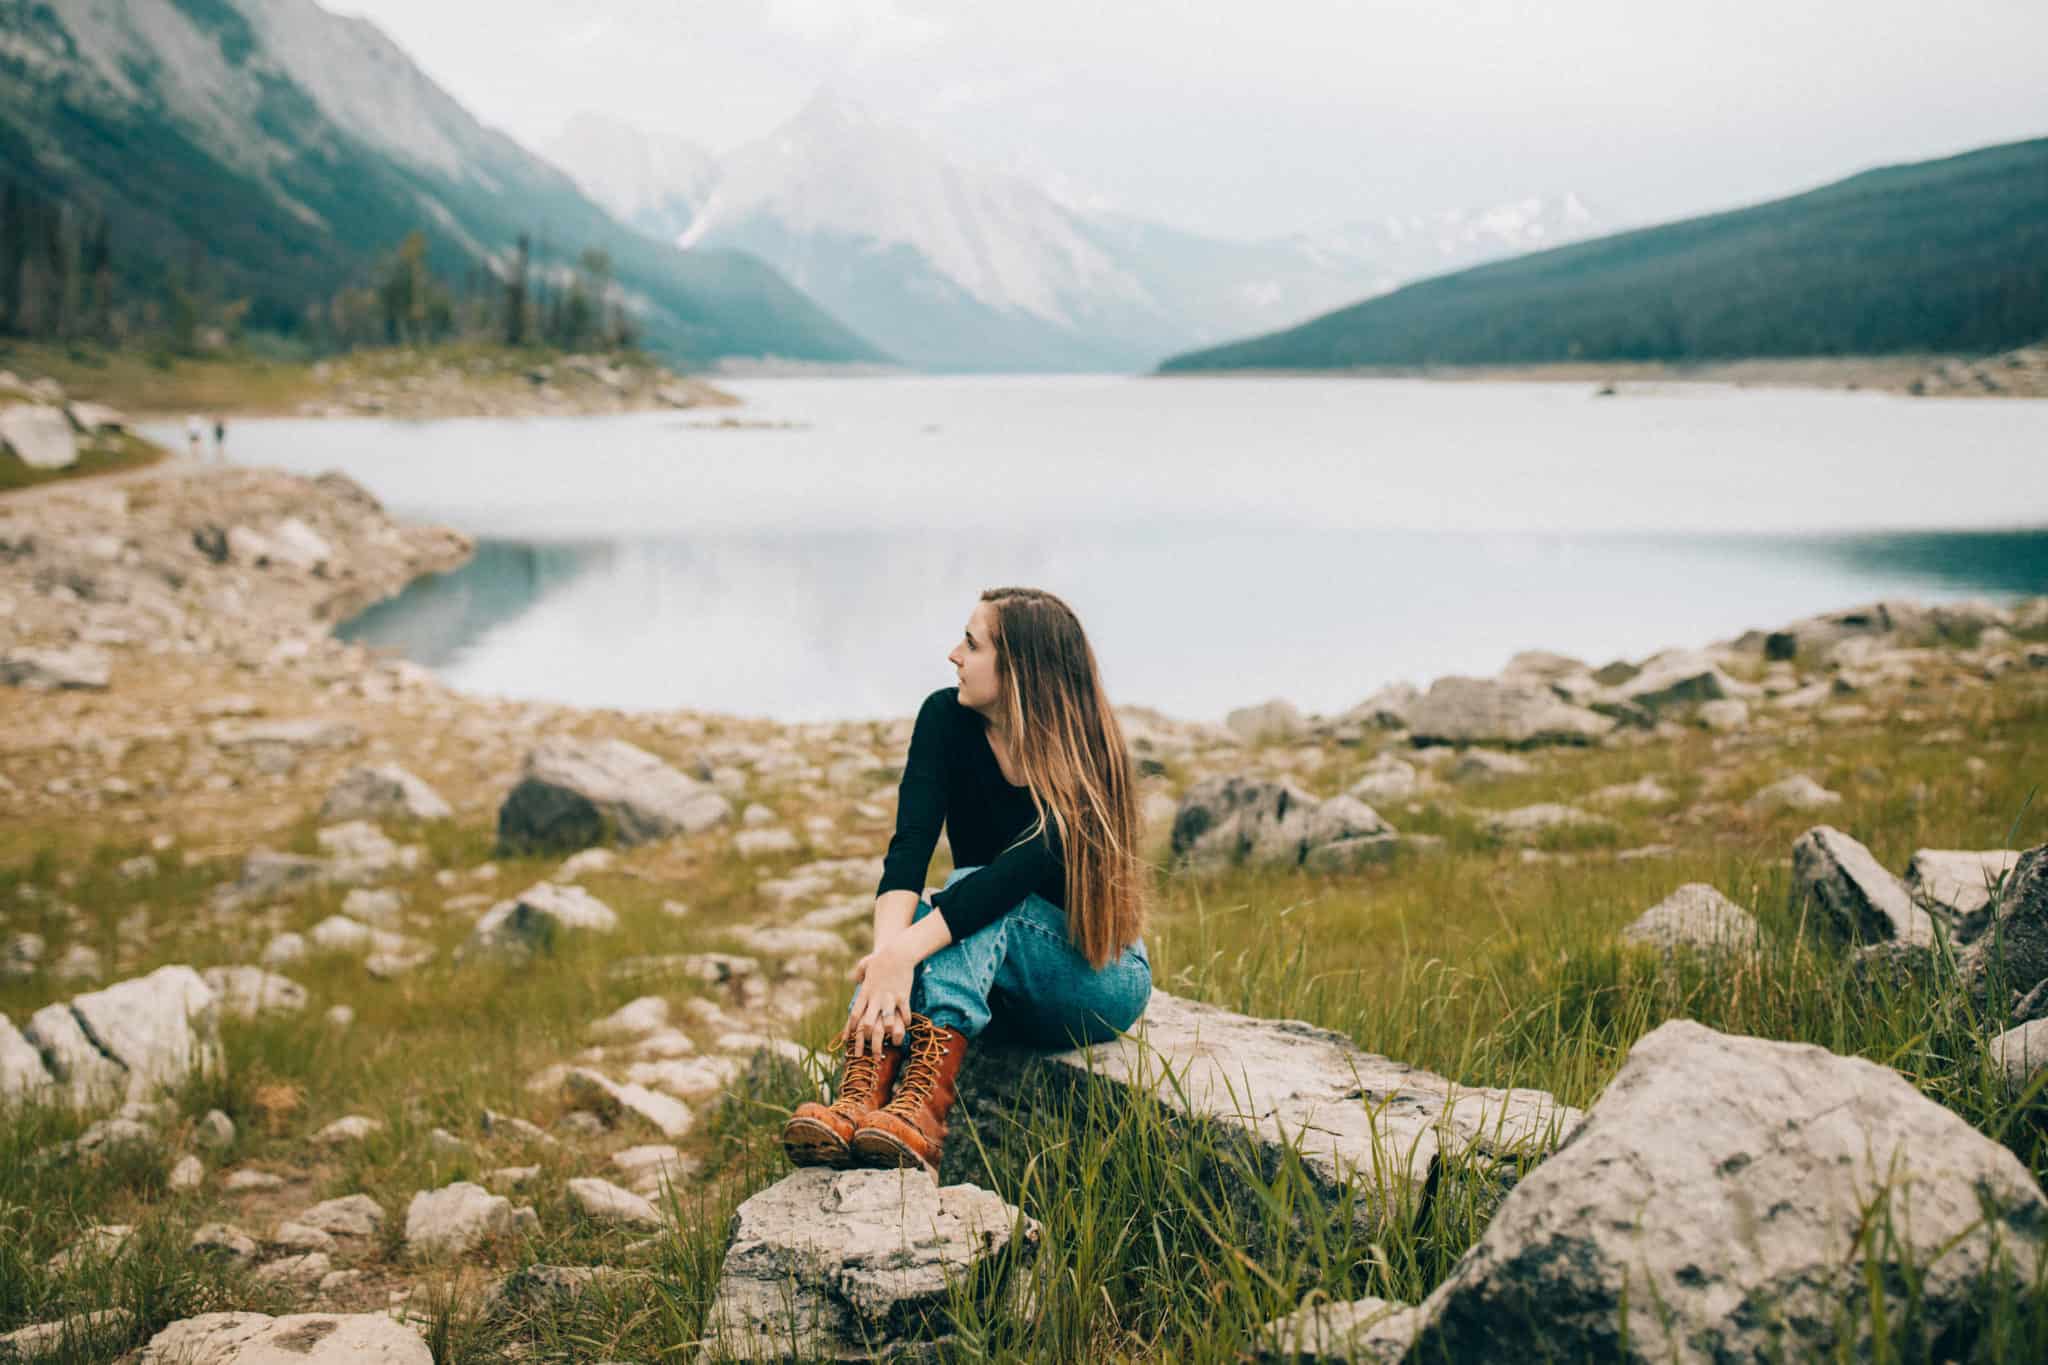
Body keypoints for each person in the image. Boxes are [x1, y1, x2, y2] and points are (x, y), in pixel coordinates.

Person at [782, 587, 1152, 1175]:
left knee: (967, 892)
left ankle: (922, 1115)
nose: (954, 654)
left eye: (972, 644)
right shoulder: (944, 718)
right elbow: (909, 847)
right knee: (940, 911)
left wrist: (907, 949)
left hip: (1093, 979)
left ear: (1021, 671)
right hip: (996, 973)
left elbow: (1006, 883)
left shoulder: (1086, 758)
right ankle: (859, 1096)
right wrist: (886, 961)